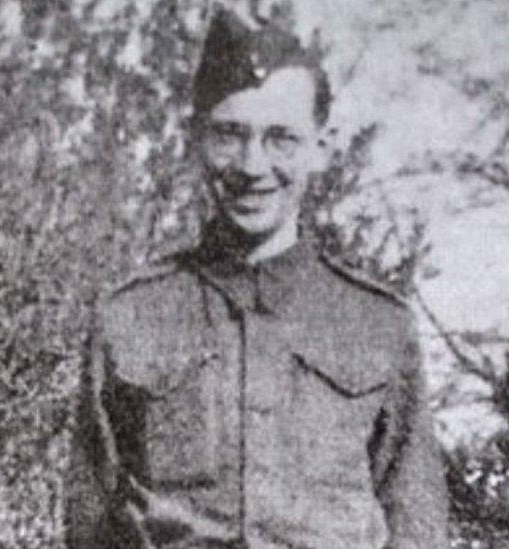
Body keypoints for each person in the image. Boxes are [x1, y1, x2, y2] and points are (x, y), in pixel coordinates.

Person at [66, 7, 450, 548]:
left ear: (322, 147)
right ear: (196, 139)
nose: (252, 165)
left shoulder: (377, 325)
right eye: (229, 134)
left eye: (281, 139)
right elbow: (89, 526)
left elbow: (417, 528)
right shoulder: (128, 317)